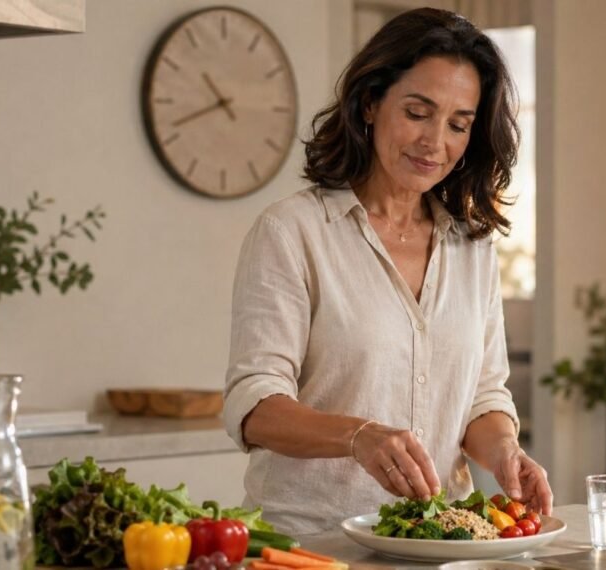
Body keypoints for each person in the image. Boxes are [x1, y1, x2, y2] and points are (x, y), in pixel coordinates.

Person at [223, 7, 553, 535]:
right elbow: (255, 405)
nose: (435, 142)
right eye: (418, 112)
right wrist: (359, 435)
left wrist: (507, 453)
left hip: (438, 540)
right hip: (312, 543)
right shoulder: (293, 231)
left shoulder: (472, 247)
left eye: (458, 124)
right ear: (371, 103)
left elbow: (482, 398)